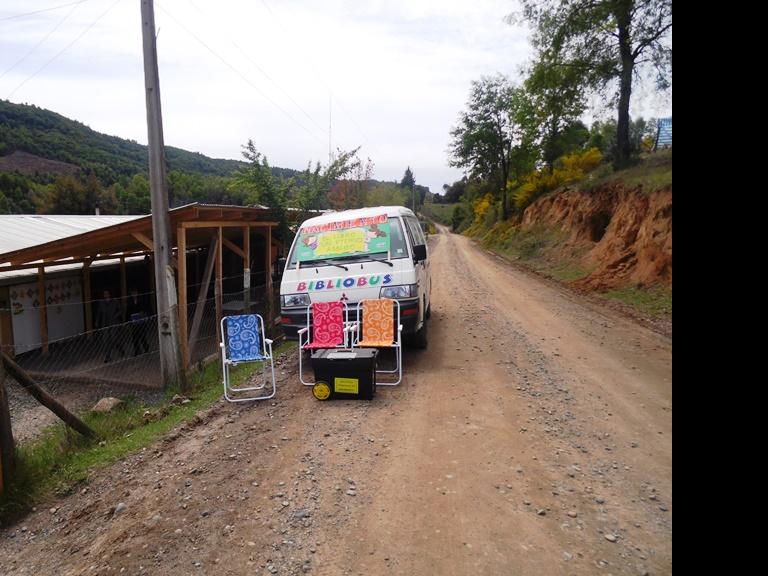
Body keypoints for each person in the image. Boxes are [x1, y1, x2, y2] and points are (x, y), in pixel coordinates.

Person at [95, 289, 124, 362]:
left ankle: (119, 348)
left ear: (110, 294)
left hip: (114, 323)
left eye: (107, 293)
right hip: (105, 324)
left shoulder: (115, 301)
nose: (106, 295)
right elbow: (98, 313)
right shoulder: (101, 303)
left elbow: (121, 310)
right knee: (106, 341)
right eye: (104, 294)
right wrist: (97, 321)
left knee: (114, 339)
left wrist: (116, 315)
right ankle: (107, 356)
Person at [126, 287, 150, 356]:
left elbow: (146, 308)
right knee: (134, 337)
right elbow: (128, 312)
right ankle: (137, 351)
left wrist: (145, 314)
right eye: (132, 293)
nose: (134, 294)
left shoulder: (141, 300)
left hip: (141, 320)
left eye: (135, 293)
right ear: (131, 294)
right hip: (133, 321)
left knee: (142, 336)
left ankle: (146, 347)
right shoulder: (129, 301)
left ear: (137, 293)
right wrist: (127, 321)